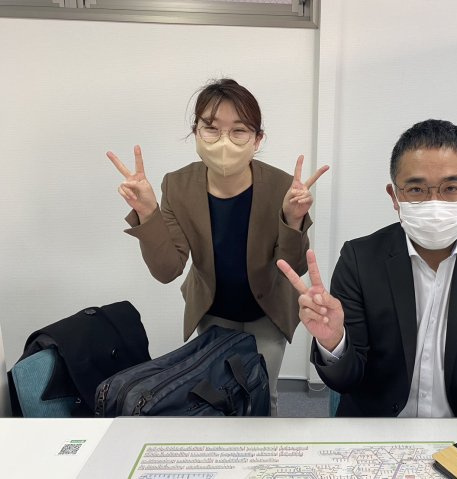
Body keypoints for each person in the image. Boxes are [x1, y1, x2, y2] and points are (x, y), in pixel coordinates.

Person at [277, 119, 457, 478]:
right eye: (416, 189)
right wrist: (334, 343)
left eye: (451, 188)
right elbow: (347, 380)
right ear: (394, 196)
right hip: (376, 437)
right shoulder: (360, 258)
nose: (434, 203)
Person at [107, 78, 328, 416]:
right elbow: (167, 269)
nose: (224, 141)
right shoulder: (177, 185)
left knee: (262, 395)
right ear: (196, 132)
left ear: (257, 139)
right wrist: (148, 213)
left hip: (267, 311)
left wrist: (293, 219)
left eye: (239, 130)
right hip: (212, 310)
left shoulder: (282, 186)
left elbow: (292, 267)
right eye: (211, 128)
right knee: (216, 396)